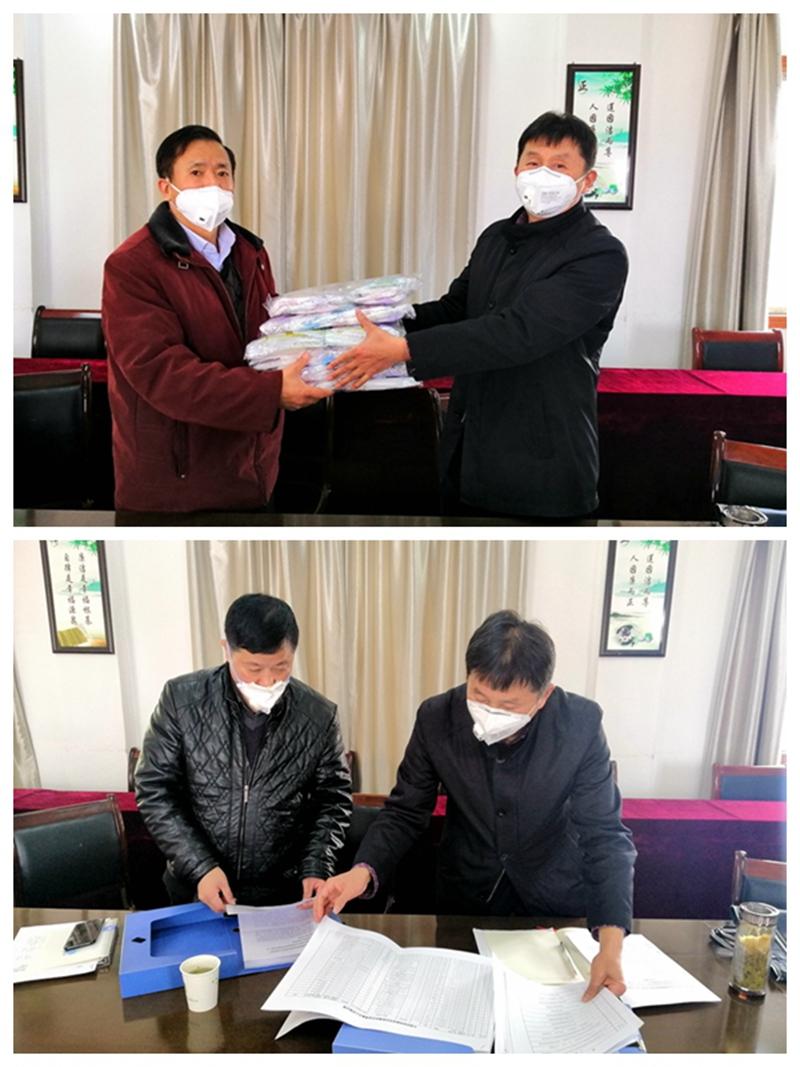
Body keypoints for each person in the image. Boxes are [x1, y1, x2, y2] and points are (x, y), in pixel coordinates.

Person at [308, 610, 636, 1001]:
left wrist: (611, 946)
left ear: (544, 695)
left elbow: (604, 834)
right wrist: (361, 872)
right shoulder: (436, 718)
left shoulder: (579, 725)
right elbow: (405, 811)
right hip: (465, 899)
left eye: (509, 705)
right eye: (479, 696)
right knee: (460, 1006)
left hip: (552, 900)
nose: (492, 711)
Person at [328, 111, 629, 521]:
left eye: (559, 166)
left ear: (587, 180)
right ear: (517, 170)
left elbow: (519, 333)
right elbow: (456, 309)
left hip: (543, 461)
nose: (543, 174)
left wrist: (403, 349)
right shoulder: (496, 237)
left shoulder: (599, 253)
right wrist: (381, 322)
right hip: (468, 449)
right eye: (533, 162)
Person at [102, 124, 329, 513]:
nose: (213, 183)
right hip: (176, 481)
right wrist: (271, 392)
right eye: (197, 172)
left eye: (222, 173)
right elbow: (161, 374)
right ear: (166, 187)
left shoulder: (250, 252)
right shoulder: (133, 265)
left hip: (251, 467)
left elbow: (266, 338)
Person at [135, 593, 352, 911]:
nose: (268, 681)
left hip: (282, 894)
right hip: (197, 887)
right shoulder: (182, 700)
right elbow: (154, 789)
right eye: (254, 668)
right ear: (226, 649)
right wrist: (200, 867)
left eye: (281, 666)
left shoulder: (318, 715)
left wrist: (316, 864)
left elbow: (333, 801)